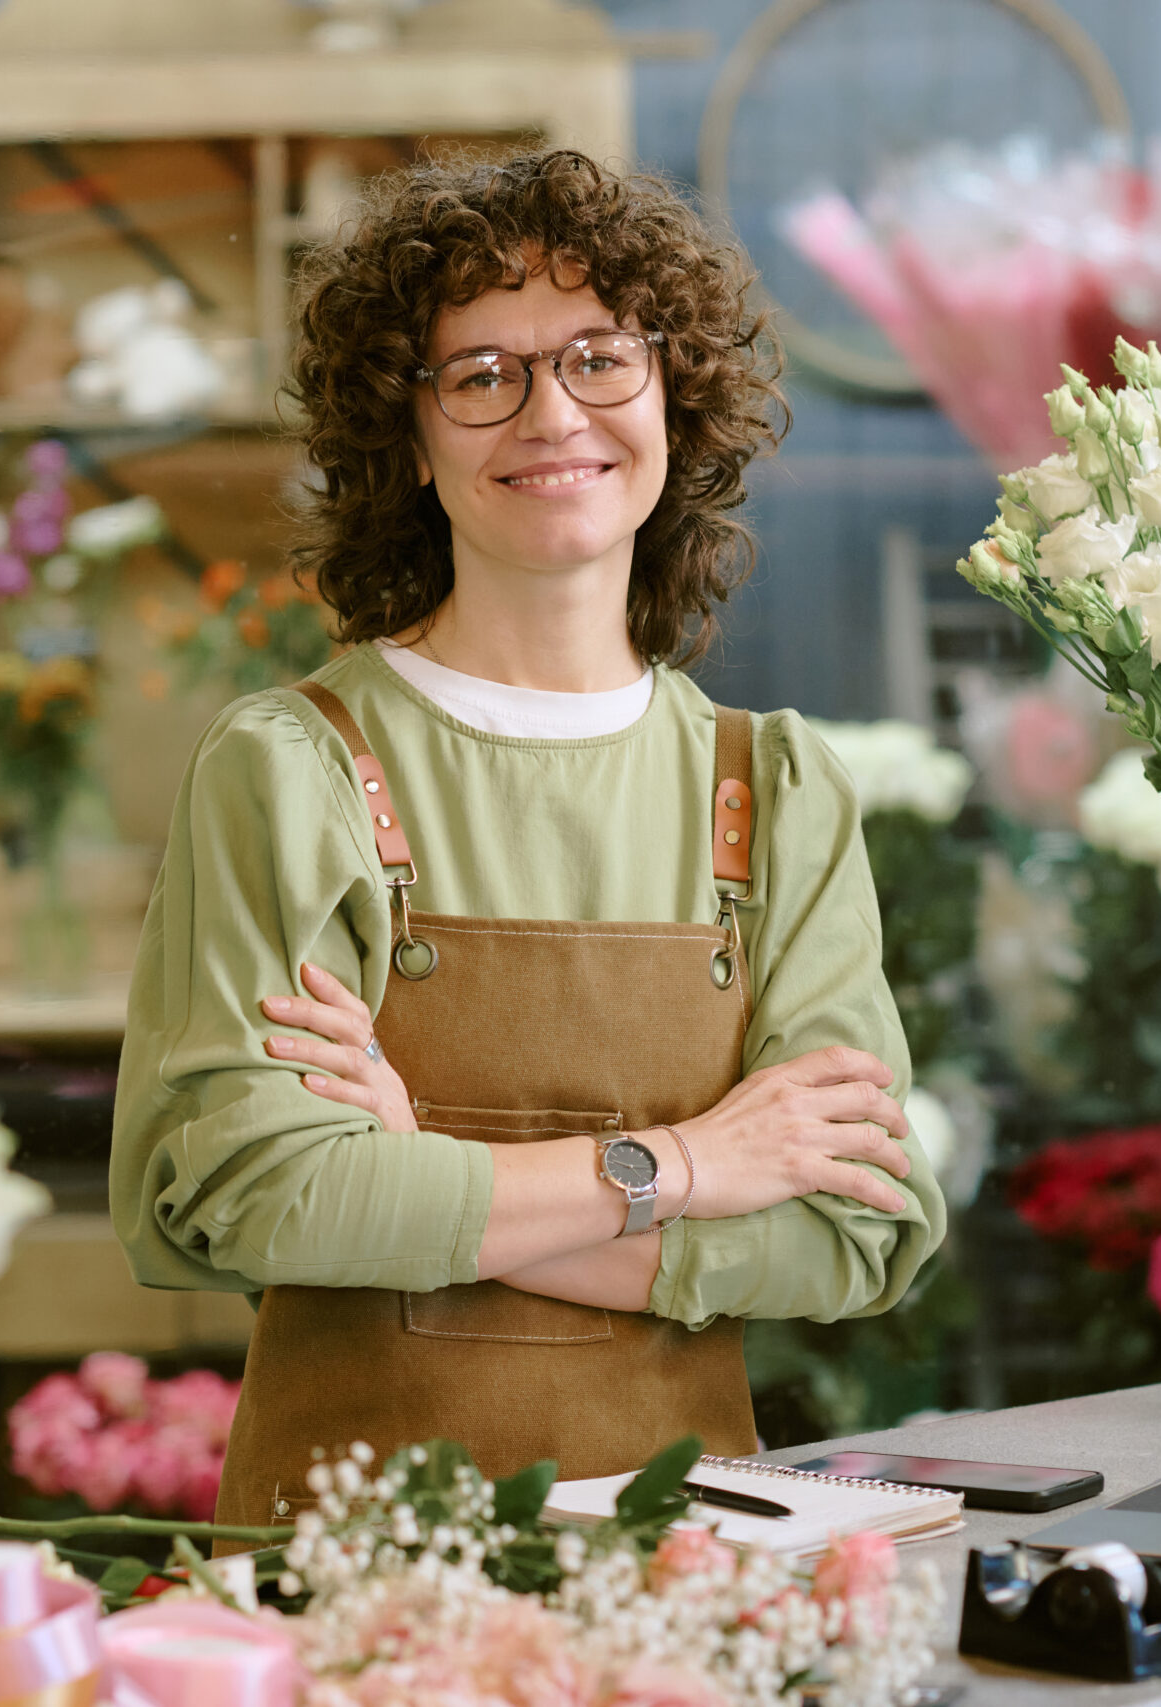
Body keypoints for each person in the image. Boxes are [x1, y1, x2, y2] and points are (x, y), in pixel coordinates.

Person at [110, 149, 945, 1528]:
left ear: (675, 393)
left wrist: (427, 1174)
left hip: (687, 1568)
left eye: (599, 358)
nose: (553, 412)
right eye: (483, 375)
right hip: (361, 1563)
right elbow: (249, 1196)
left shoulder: (776, 787)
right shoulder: (295, 769)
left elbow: (858, 1230)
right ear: (409, 436)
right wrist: (684, 1168)